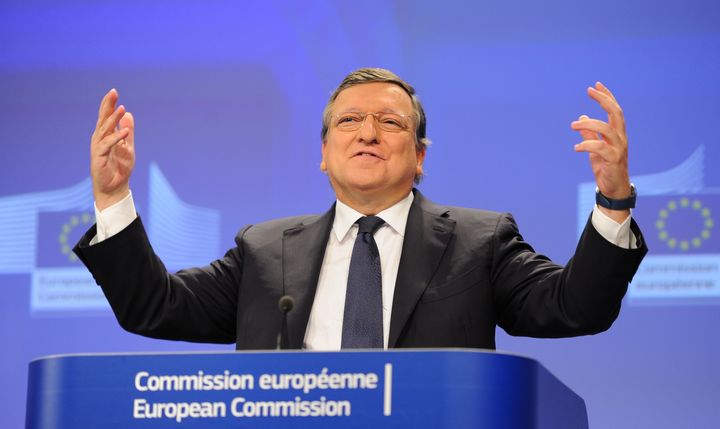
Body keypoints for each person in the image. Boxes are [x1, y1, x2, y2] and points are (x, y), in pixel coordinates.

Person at [74, 68, 647, 350]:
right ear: (324, 153)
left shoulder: (479, 240)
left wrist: (614, 199)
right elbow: (153, 307)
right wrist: (112, 197)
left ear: (420, 156)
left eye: (390, 122)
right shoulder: (264, 249)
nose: (367, 133)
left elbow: (576, 308)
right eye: (349, 121)